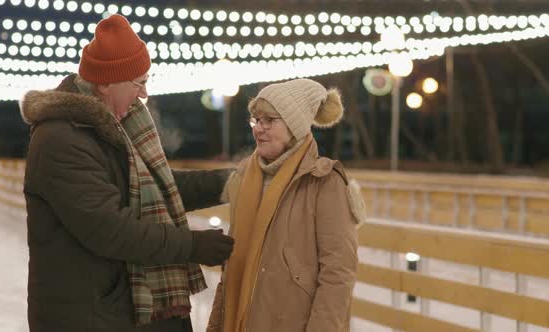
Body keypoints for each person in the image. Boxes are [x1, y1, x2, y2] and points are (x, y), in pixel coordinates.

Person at [19, 14, 234, 332]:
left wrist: (229, 182)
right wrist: (191, 245)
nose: (144, 94)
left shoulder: (119, 125)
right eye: (139, 83)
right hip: (89, 315)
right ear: (105, 82)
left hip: (121, 306)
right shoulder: (61, 139)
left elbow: (160, 187)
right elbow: (110, 229)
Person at [207, 78, 364, 332]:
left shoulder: (323, 182)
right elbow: (232, 270)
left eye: (270, 120)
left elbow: (338, 274)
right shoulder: (246, 177)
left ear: (295, 125)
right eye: (256, 120)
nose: (259, 128)